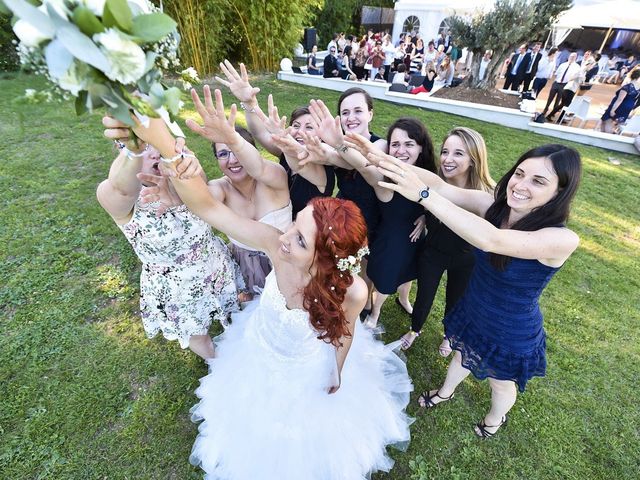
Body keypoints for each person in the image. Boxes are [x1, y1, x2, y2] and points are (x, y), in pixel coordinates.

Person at [124, 98, 414, 479]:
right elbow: (210, 209)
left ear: (325, 260)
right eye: (295, 227)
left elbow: (343, 335)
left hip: (307, 366)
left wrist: (337, 372)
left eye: (299, 240)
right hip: (260, 349)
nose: (284, 238)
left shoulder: (353, 292)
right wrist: (169, 149)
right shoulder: (274, 244)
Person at [371, 143, 581, 437]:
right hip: (474, 308)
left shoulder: (562, 238)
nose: (520, 185)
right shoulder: (494, 206)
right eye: (519, 173)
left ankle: (494, 420)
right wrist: (378, 157)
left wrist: (423, 195)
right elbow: (440, 186)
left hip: (511, 330)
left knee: (501, 383)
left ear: (559, 191)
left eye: (538, 181)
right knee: (461, 354)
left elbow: (492, 240)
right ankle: (445, 392)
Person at [96, 129, 241, 359]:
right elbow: (120, 188)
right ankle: (219, 364)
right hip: (178, 289)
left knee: (234, 311)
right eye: (143, 148)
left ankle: (243, 343)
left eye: (156, 145)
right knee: (198, 335)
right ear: (123, 150)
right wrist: (136, 150)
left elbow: (205, 195)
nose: (154, 154)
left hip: (214, 262)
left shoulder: (179, 171)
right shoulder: (114, 195)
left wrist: (187, 170)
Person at [184, 82, 293, 293]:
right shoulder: (219, 188)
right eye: (223, 154)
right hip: (247, 269)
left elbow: (258, 167)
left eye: (237, 150)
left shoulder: (275, 177)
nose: (232, 160)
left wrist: (233, 137)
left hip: (288, 264)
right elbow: (200, 199)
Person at [401, 128, 495, 351]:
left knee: (456, 299)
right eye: (445, 151)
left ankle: (449, 335)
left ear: (474, 159)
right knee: (424, 295)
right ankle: (415, 329)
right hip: (433, 253)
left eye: (458, 153)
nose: (447, 159)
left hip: (464, 259)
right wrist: (425, 216)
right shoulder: (435, 183)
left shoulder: (485, 197)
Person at [215, 61, 335, 219]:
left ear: (321, 134)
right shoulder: (285, 152)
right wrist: (249, 103)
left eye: (309, 127)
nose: (300, 132)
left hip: (302, 237)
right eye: (296, 125)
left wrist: (286, 143)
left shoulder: (322, 171)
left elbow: (300, 165)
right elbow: (259, 132)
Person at [599, 69, 640, 133]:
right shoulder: (638, 89)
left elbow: (620, 100)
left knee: (607, 122)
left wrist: (613, 110)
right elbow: (636, 101)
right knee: (614, 124)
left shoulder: (627, 87)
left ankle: (606, 137)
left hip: (619, 106)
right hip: (627, 108)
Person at [542, 52, 580, 121]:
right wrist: (556, 81)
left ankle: (552, 113)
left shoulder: (576, 67)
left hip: (565, 84)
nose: (572, 57)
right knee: (550, 97)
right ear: (568, 57)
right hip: (557, 82)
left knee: (558, 100)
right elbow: (557, 74)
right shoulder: (563, 64)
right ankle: (545, 109)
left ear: (576, 58)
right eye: (571, 56)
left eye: (574, 56)